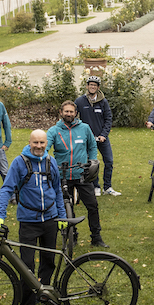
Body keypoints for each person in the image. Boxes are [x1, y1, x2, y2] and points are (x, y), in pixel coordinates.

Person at [0, 129, 66, 305]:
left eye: (42, 143)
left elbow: (57, 189)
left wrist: (62, 216)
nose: (39, 146)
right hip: (28, 220)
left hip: (50, 218)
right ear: (29, 143)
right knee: (26, 265)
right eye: (36, 143)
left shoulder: (51, 161)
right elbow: (7, 188)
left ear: (46, 143)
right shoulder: (19, 162)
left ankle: (45, 296)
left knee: (48, 260)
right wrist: (0, 216)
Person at [47, 100, 108, 248]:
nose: (69, 114)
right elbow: (45, 147)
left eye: (71, 111)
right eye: (66, 111)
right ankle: (71, 236)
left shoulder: (85, 128)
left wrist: (93, 161)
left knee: (92, 206)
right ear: (61, 113)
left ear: (76, 113)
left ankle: (96, 237)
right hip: (63, 175)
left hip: (82, 174)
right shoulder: (54, 131)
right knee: (67, 208)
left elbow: (92, 146)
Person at [75, 76, 121, 197]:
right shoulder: (80, 101)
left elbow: (108, 118)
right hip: (87, 139)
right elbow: (74, 118)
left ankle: (108, 187)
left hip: (102, 138)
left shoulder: (103, 102)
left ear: (98, 87)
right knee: (91, 163)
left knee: (109, 161)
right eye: (90, 85)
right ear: (87, 86)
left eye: (95, 85)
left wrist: (104, 135)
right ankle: (95, 186)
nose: (92, 87)